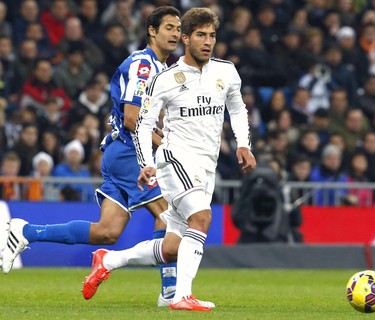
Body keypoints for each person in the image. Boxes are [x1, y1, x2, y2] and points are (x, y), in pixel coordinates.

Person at [2, 6, 183, 308]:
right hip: (130, 152)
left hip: (117, 152)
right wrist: (163, 142)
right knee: (169, 214)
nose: (176, 34)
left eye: (178, 29)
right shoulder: (144, 65)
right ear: (152, 31)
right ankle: (170, 292)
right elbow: (131, 118)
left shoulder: (161, 68)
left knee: (106, 232)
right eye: (169, 27)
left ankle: (25, 231)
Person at [82, 7, 256, 312]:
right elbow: (143, 123)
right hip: (175, 159)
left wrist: (244, 144)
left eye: (212, 35)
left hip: (205, 165)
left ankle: (108, 260)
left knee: (174, 246)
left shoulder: (226, 72)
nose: (207, 42)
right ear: (186, 39)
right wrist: (147, 162)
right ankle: (181, 296)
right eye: (200, 35)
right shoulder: (166, 78)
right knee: (201, 219)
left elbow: (238, 109)